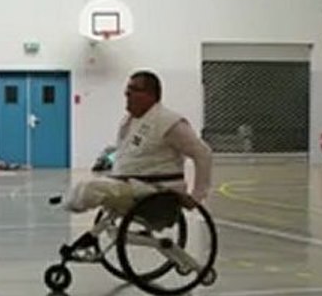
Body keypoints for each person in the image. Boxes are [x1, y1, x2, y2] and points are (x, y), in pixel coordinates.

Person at [61, 71, 212, 215]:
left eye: (134, 89)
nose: (127, 94)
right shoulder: (129, 121)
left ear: (150, 95)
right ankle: (67, 200)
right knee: (85, 186)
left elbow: (203, 154)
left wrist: (197, 196)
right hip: (131, 185)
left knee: (88, 188)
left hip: (154, 190)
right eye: (127, 90)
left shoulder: (169, 122)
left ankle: (66, 202)